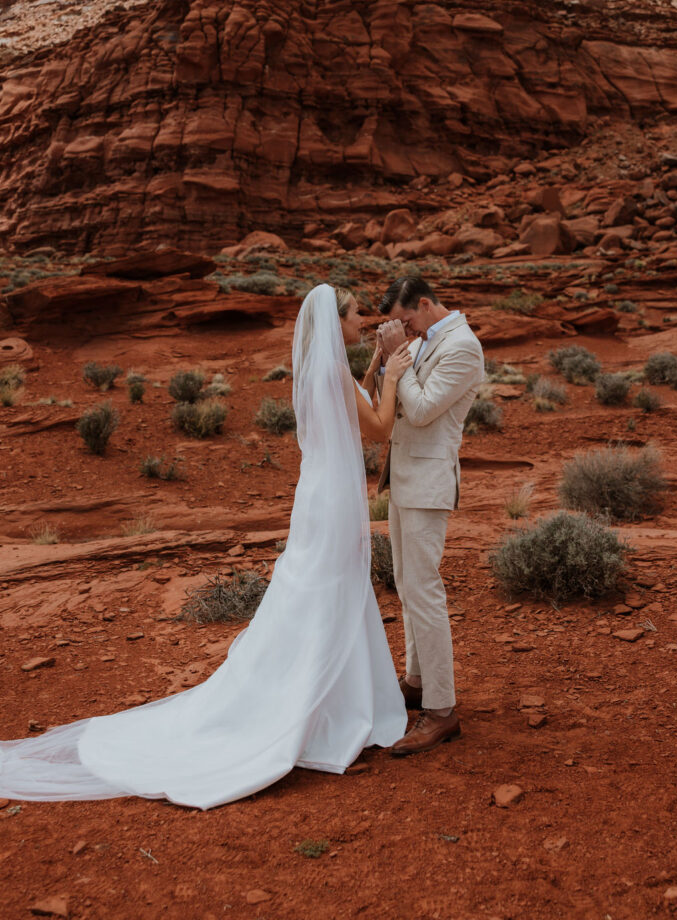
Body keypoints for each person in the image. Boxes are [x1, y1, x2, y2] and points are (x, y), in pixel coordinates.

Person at [0, 284, 413, 810]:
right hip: (333, 498)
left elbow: (352, 399)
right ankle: (328, 709)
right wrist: (395, 374)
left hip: (315, 494)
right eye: (356, 315)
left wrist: (378, 360)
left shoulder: (316, 369)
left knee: (316, 590)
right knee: (330, 591)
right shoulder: (332, 372)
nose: (364, 320)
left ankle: (332, 697)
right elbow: (376, 427)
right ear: (337, 322)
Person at [374, 275, 485, 756]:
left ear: (423, 303)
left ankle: (442, 711)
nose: (404, 328)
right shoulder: (426, 339)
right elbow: (390, 396)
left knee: (425, 590)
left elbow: (418, 411)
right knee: (407, 584)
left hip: (428, 483)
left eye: (407, 319)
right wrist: (386, 357)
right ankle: (418, 683)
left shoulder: (463, 347)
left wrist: (400, 361)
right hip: (404, 479)